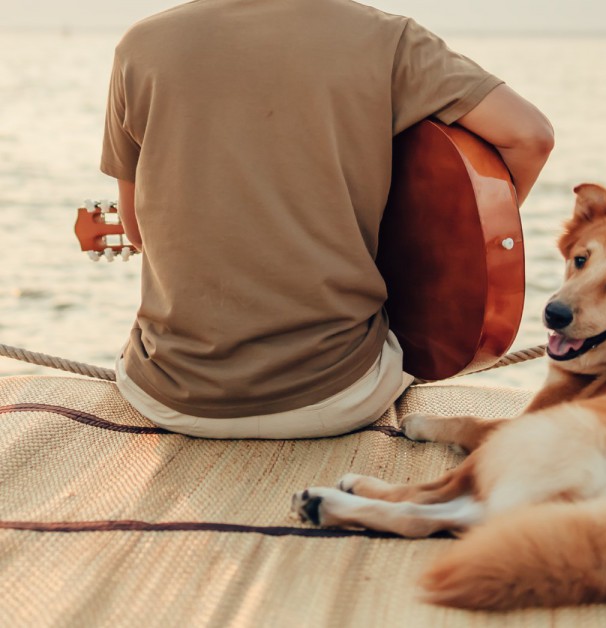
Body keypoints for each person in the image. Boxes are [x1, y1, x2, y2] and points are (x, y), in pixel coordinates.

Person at [100, 0, 554, 439]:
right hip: (339, 396)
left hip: (169, 397)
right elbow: (530, 137)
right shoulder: (388, 38)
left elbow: (138, 232)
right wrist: (468, 241)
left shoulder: (140, 45)